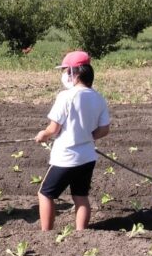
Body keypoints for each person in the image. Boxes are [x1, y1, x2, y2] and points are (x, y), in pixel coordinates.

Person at [34, 50, 111, 231]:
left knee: (45, 194)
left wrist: (42, 135)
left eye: (65, 70)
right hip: (87, 157)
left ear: (73, 73)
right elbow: (104, 130)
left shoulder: (66, 97)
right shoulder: (98, 98)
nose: (63, 75)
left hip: (66, 157)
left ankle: (46, 233)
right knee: (80, 196)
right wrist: (85, 137)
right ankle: (81, 233)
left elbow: (53, 129)